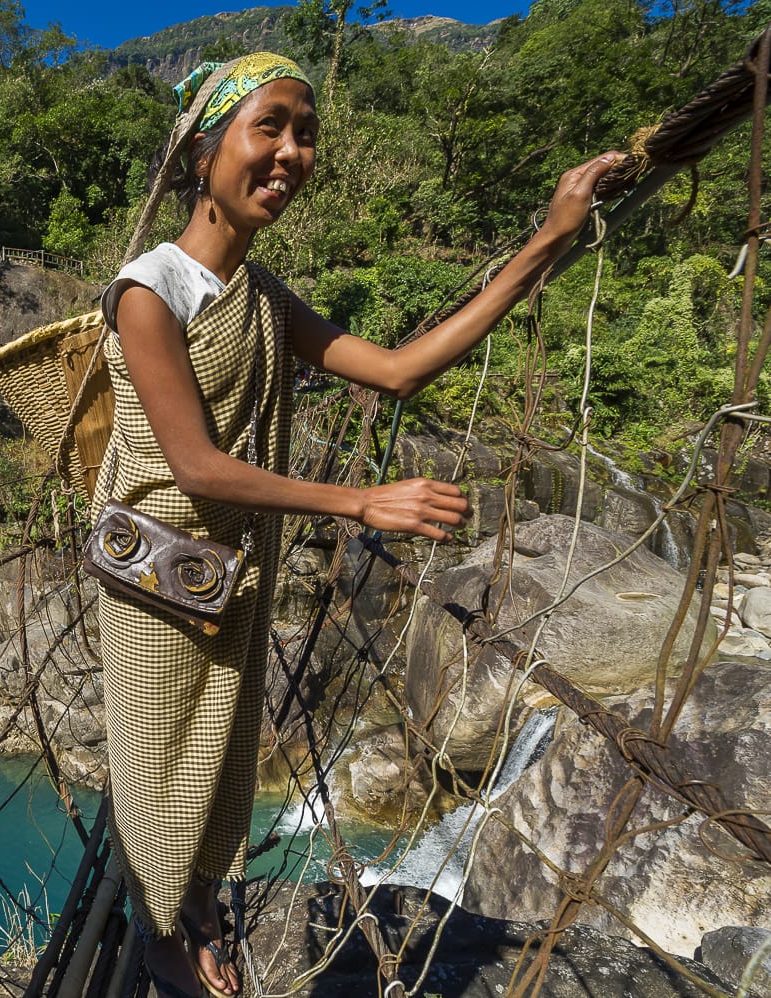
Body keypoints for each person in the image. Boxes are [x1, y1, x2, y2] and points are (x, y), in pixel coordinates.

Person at [93, 52, 622, 997]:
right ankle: (158, 930)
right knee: (159, 753)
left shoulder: (259, 295)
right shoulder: (150, 291)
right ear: (205, 146)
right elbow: (194, 466)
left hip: (228, 568)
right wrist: (361, 501)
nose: (293, 152)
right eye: (272, 127)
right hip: (158, 577)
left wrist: (548, 240)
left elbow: (400, 369)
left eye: (307, 135)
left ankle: (197, 902)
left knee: (221, 748)